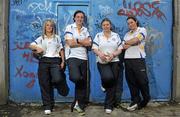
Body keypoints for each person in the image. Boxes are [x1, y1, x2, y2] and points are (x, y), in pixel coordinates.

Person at [29, 19, 69, 115]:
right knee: (44, 83)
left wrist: (63, 61)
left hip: (55, 61)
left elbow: (61, 49)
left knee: (58, 79)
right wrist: (37, 48)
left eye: (51, 25)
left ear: (53, 27)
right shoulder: (41, 38)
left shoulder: (57, 38)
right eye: (47, 25)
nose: (49, 27)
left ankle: (54, 82)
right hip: (43, 61)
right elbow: (31, 45)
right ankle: (47, 106)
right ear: (45, 27)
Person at [92, 18, 123, 114]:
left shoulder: (116, 35)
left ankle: (108, 105)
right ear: (102, 26)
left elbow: (120, 48)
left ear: (110, 25)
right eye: (104, 25)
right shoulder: (98, 35)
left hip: (114, 61)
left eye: (107, 24)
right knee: (107, 78)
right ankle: (104, 84)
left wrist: (113, 55)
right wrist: (100, 55)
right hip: (102, 61)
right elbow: (94, 48)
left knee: (113, 82)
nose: (106, 26)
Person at [64, 10, 92, 115]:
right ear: (74, 18)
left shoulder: (85, 30)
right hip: (72, 56)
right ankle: (77, 101)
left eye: (82, 17)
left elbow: (89, 43)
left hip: (84, 58)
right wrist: (82, 41)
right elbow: (70, 43)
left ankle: (79, 105)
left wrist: (77, 41)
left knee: (83, 82)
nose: (80, 19)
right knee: (76, 77)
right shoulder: (69, 27)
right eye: (78, 17)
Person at [123, 16, 150, 111]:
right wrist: (130, 43)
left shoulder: (142, 30)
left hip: (138, 59)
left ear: (136, 22)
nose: (130, 24)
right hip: (127, 60)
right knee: (131, 82)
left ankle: (146, 99)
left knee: (142, 81)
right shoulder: (127, 34)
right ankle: (135, 101)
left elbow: (137, 40)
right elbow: (124, 46)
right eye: (128, 23)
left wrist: (128, 43)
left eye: (131, 22)